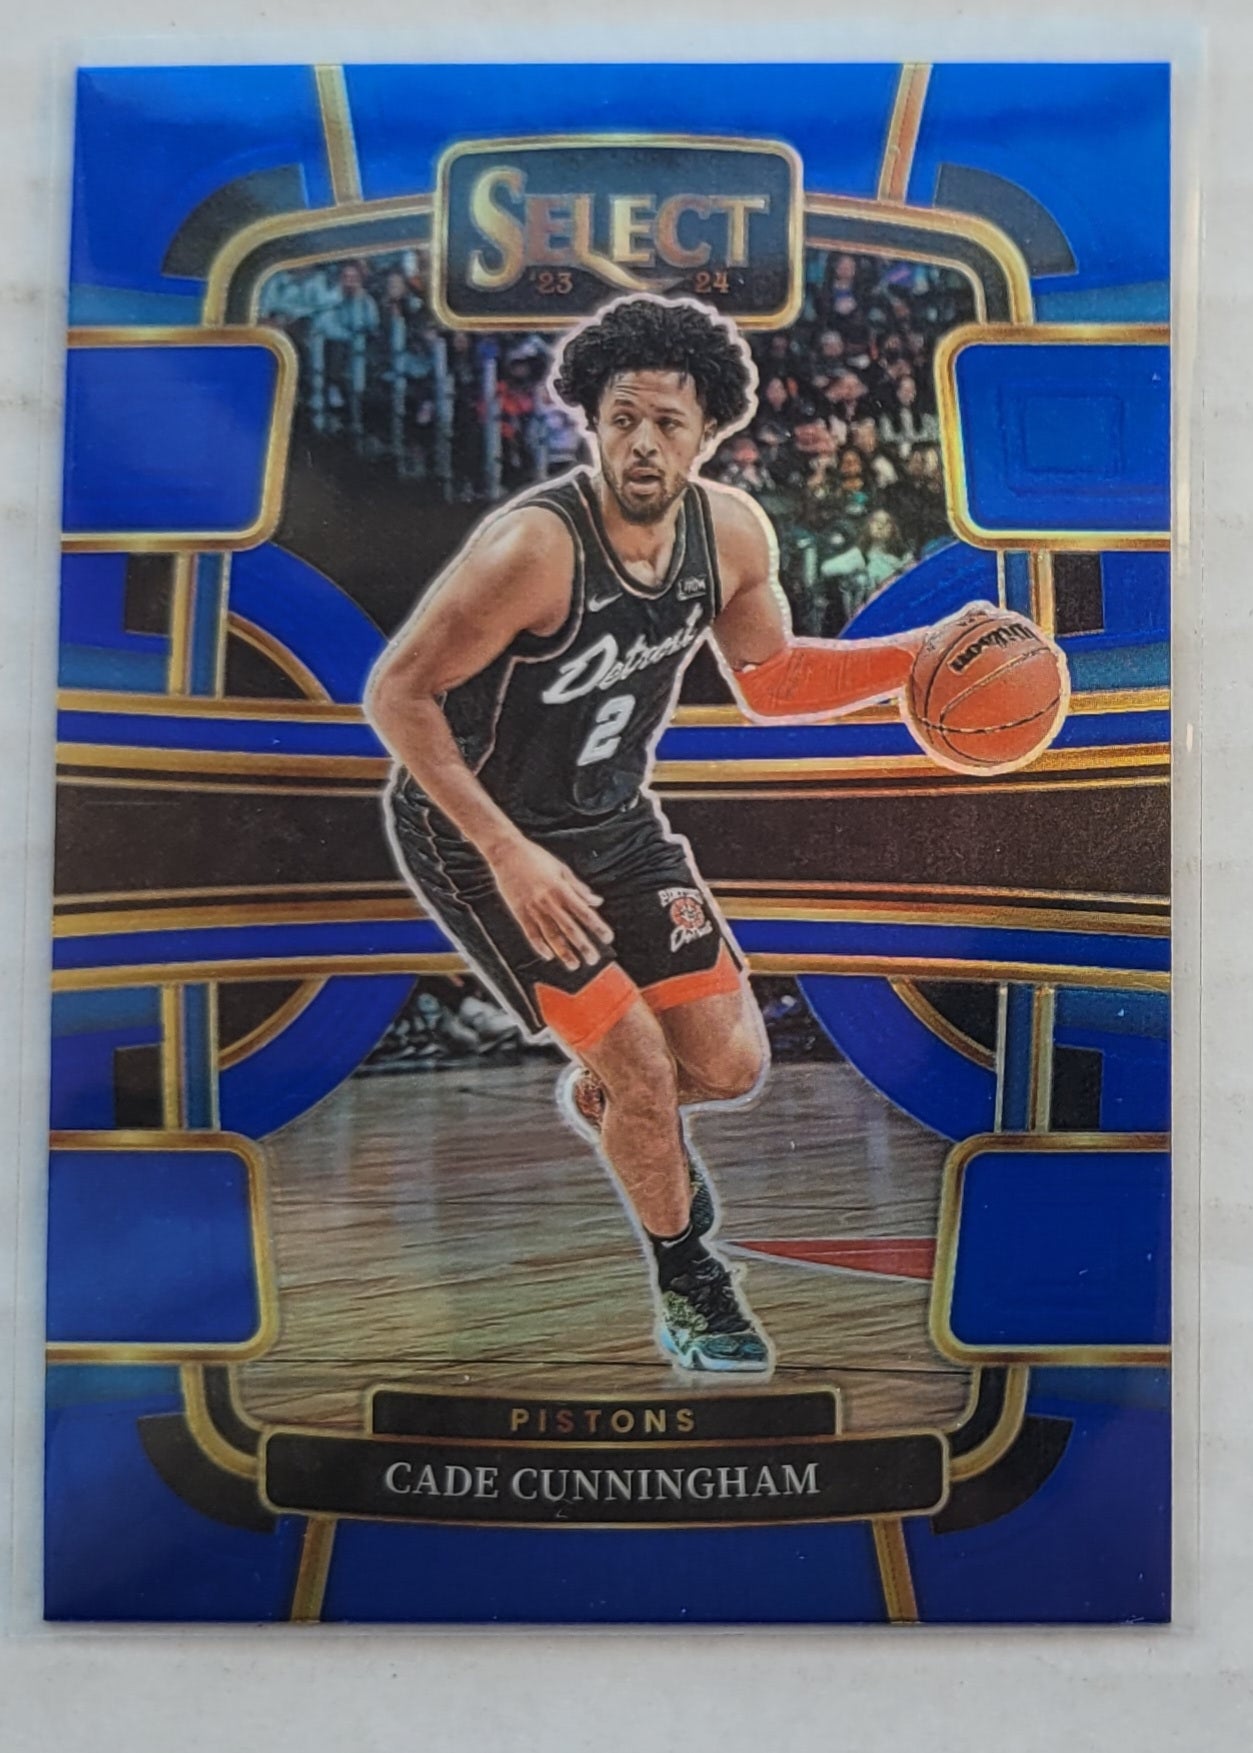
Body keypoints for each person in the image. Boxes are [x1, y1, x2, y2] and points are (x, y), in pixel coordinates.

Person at [365, 295, 942, 1377]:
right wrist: (506, 852)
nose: (640, 441)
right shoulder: (532, 549)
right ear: (591, 419)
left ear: (707, 431)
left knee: (728, 1066)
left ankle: (620, 1110)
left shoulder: (731, 533)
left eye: (666, 423)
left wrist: (913, 658)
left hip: (615, 823)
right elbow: (397, 694)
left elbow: (770, 679)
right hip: (481, 834)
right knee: (637, 1060)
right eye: (620, 417)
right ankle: (688, 1277)